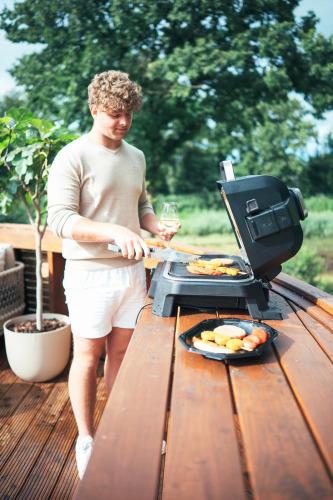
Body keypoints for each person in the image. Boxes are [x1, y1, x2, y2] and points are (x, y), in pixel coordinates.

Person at [47, 70, 179, 479]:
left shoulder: (136, 156)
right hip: (89, 276)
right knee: (88, 358)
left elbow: (140, 204)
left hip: (131, 275)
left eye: (128, 114)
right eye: (113, 113)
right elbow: (60, 220)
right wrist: (114, 231)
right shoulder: (72, 156)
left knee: (122, 355)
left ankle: (121, 428)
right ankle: (87, 438)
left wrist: (154, 226)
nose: (122, 121)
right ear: (94, 109)